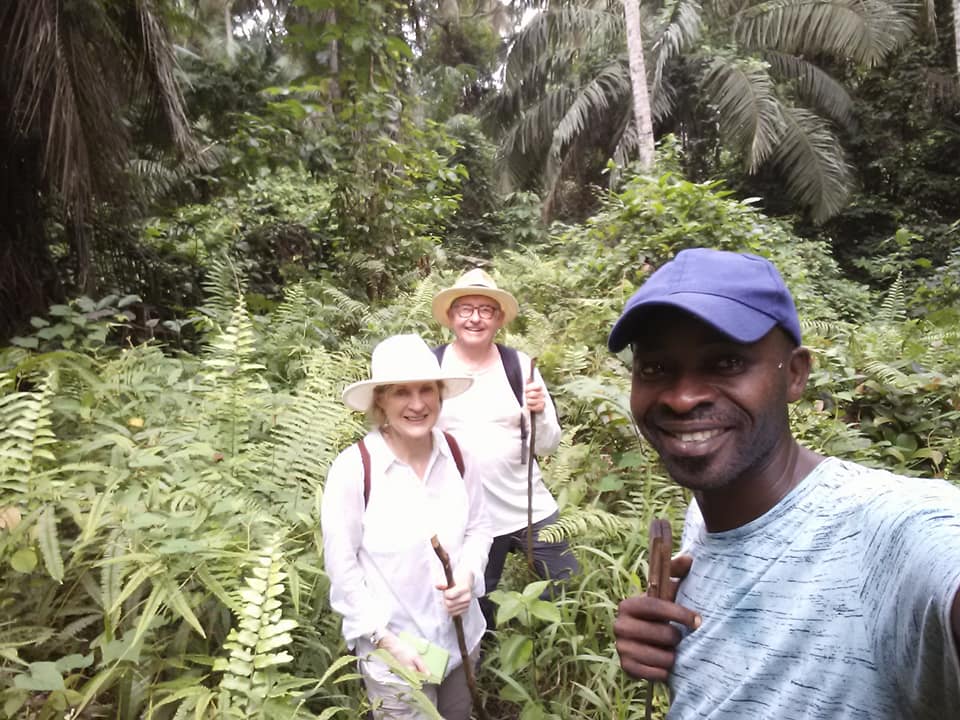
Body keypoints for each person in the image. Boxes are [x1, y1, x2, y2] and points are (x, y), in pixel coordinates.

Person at [609, 248, 960, 719]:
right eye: (655, 368)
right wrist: (658, 640)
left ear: (795, 374)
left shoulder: (893, 530)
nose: (681, 397)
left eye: (726, 362)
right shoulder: (705, 514)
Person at [321, 334, 492, 720]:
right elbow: (343, 569)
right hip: (396, 655)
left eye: (426, 390)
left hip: (462, 639)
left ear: (439, 394)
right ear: (381, 400)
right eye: (401, 392)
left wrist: (467, 577)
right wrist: (386, 641)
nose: (417, 404)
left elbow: (480, 527)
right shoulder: (355, 470)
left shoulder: (460, 456)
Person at [431, 268, 579, 628]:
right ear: (451, 317)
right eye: (465, 308)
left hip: (528, 506)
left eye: (486, 309)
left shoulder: (519, 366)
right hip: (468, 518)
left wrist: (540, 411)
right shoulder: (433, 368)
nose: (475, 318)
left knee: (570, 586)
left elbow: (547, 446)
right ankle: (485, 675)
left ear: (498, 319)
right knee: (479, 608)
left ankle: (551, 655)